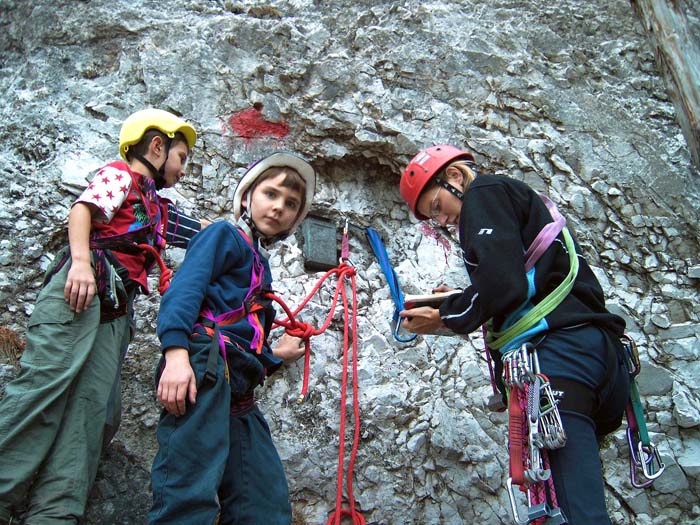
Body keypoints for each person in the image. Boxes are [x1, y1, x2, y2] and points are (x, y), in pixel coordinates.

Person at [397, 144, 631, 525]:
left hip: (559, 356)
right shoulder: (515, 198)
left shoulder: (482, 194)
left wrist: (444, 316)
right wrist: (458, 302)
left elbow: (505, 287)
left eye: (437, 207)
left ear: (454, 177)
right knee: (574, 501)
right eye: (432, 219)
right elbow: (518, 278)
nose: (441, 222)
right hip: (599, 357)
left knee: (575, 514)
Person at [0, 108, 206, 525]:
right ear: (156, 145)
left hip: (116, 309)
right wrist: (78, 262)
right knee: (46, 383)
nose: (184, 169)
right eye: (182, 158)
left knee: (95, 410)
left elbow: (206, 231)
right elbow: (83, 210)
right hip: (82, 288)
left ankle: (54, 514)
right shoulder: (120, 175)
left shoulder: (158, 210)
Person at [149, 151, 315, 525]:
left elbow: (246, 340)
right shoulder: (222, 234)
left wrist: (276, 355)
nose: (278, 208)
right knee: (188, 494)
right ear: (247, 198)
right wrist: (176, 356)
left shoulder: (260, 264)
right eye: (270, 194)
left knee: (264, 503)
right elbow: (185, 290)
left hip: (237, 388)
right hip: (202, 365)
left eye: (290, 204)